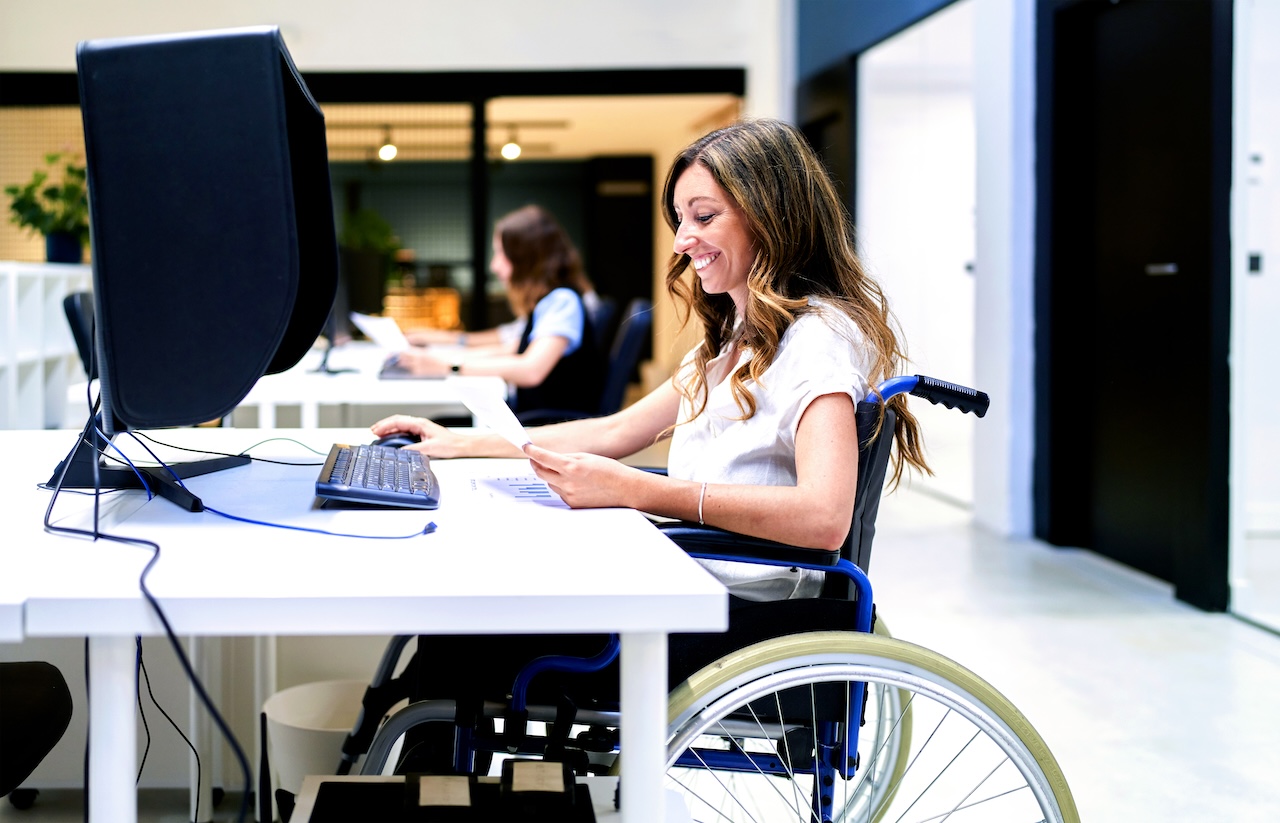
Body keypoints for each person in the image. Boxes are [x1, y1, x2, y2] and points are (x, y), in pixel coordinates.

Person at [366, 118, 930, 768]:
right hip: (686, 582)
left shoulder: (817, 340)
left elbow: (823, 516)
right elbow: (614, 431)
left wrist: (637, 489)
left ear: (770, 215)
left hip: (720, 616)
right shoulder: (735, 339)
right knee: (459, 618)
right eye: (681, 218)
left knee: (459, 637)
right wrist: (459, 444)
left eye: (704, 216)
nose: (684, 239)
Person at [391, 205, 606, 419]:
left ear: (527, 258)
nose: (494, 266)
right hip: (536, 417)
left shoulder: (562, 301)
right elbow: (512, 348)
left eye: (502, 254)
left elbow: (531, 370)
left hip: (548, 426)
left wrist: (449, 366)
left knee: (434, 427)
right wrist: (441, 357)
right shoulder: (549, 301)